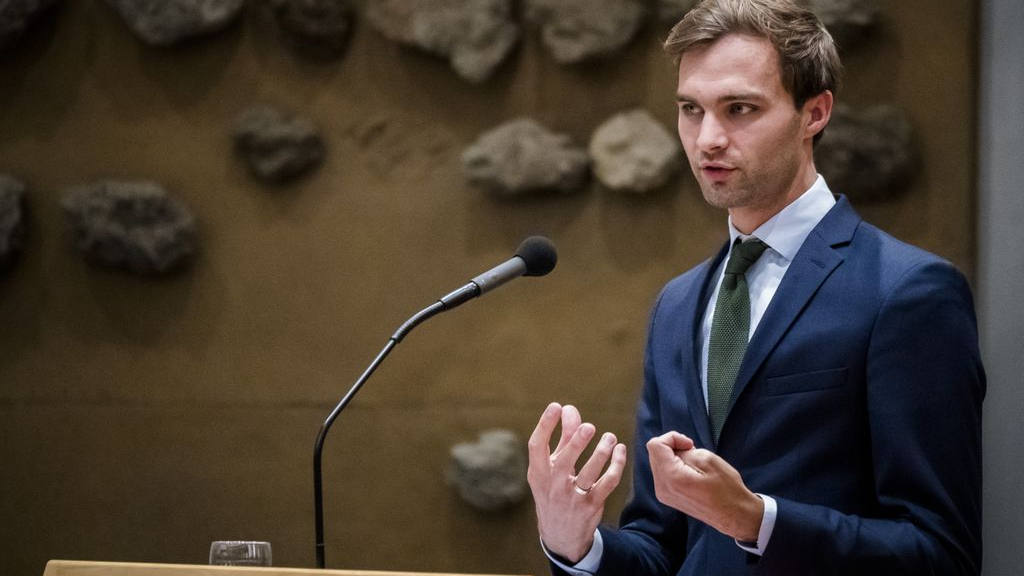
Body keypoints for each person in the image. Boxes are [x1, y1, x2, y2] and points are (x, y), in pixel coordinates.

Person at [526, 0, 986, 575]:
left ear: (814, 113)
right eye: (690, 109)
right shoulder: (678, 304)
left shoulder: (908, 292)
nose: (707, 138)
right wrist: (577, 545)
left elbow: (941, 554)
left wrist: (756, 519)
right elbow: (664, 545)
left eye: (739, 108)